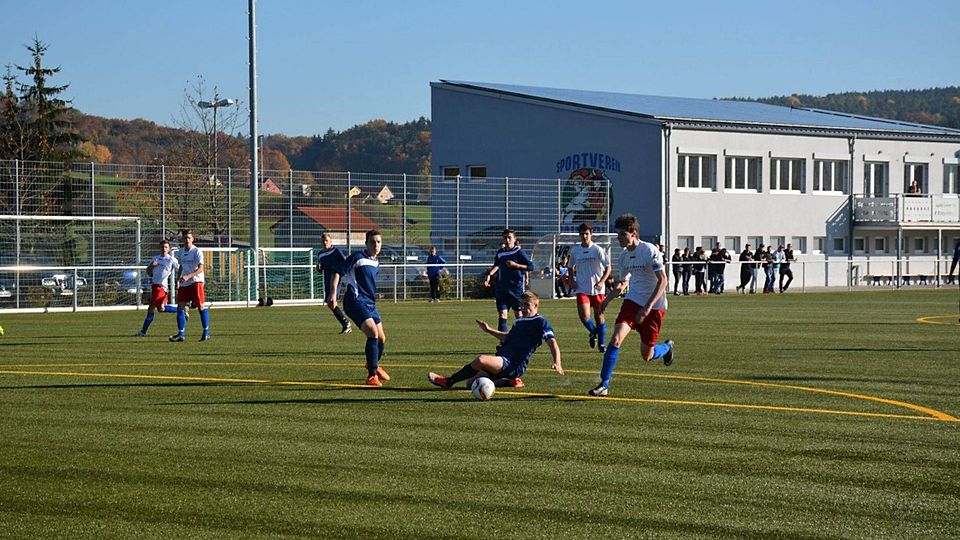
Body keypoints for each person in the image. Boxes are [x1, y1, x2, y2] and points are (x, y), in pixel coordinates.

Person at [589, 213, 674, 397]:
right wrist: (607, 300)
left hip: (654, 306)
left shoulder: (649, 250)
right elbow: (622, 283)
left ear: (633, 233)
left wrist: (647, 308)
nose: (618, 238)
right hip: (633, 302)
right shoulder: (624, 257)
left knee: (647, 355)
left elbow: (663, 281)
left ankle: (666, 348)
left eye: (621, 234)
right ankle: (604, 384)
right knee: (616, 339)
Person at [427, 291, 563, 390]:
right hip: (502, 360)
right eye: (521, 305)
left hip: (513, 364)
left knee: (481, 360)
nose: (523, 308)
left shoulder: (541, 322)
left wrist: (557, 362)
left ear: (536, 305)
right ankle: (508, 381)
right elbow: (507, 337)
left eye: (527, 305)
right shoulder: (519, 321)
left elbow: (552, 342)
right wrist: (489, 330)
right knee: (471, 384)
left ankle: (447, 381)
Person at [330, 229, 391, 386]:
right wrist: (333, 294)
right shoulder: (357, 257)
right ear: (366, 243)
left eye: (378, 242)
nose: (376, 245)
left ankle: (372, 364)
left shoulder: (376, 263)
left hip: (370, 303)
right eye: (372, 242)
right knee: (373, 333)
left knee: (382, 339)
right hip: (354, 301)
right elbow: (338, 272)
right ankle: (372, 376)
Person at [567, 223, 612, 353]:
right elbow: (570, 267)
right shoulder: (575, 251)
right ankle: (594, 333)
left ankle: (602, 344)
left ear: (591, 234)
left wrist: (602, 281)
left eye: (587, 233)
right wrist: (571, 280)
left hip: (597, 290)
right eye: (582, 234)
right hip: (582, 288)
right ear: (579, 235)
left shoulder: (597, 249)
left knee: (599, 318)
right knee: (584, 317)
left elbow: (608, 267)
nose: (584, 236)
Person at [483, 228, 534, 333]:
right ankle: (503, 343)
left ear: (514, 239)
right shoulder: (500, 253)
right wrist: (489, 275)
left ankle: (521, 339)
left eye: (509, 238)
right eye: (505, 238)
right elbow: (497, 265)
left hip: (516, 289)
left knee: (518, 315)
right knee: (502, 314)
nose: (507, 240)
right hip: (502, 288)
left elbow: (531, 266)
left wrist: (516, 265)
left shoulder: (519, 252)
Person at [169, 229, 211, 342]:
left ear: (192, 239)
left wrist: (188, 276)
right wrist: (178, 279)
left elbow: (201, 269)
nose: (187, 240)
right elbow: (181, 267)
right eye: (185, 238)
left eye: (189, 238)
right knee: (180, 307)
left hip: (196, 281)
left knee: (200, 306)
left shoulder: (197, 251)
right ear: (182, 239)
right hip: (185, 282)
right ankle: (181, 334)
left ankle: (206, 331)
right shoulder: (181, 251)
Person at [136, 239, 181, 336]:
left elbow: (180, 268)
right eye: (162, 247)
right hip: (154, 286)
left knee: (151, 308)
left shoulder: (171, 259)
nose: (164, 249)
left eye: (166, 247)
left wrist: (180, 280)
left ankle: (143, 332)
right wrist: (152, 266)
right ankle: (181, 309)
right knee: (161, 308)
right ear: (159, 248)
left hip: (161, 287)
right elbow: (148, 272)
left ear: (169, 249)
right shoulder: (155, 259)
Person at [315, 232, 351, 333]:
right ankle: (345, 323)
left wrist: (340, 272)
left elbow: (344, 263)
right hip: (327, 280)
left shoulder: (336, 251)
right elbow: (321, 268)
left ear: (331, 242)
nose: (325, 242)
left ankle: (346, 324)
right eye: (323, 241)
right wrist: (318, 268)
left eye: (326, 240)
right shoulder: (320, 254)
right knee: (330, 304)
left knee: (332, 301)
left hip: (335, 279)